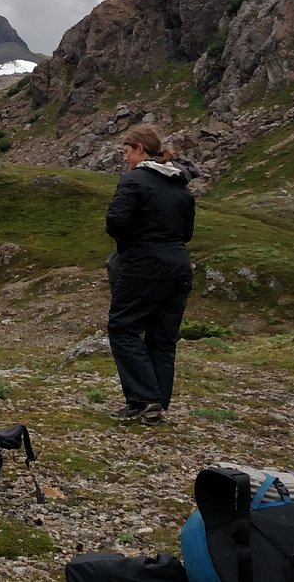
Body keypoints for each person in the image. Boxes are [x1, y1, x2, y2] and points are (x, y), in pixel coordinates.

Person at [105, 124, 196, 425]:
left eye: (126, 152)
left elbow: (116, 221)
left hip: (144, 265)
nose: (125, 158)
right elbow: (187, 233)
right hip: (178, 267)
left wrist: (130, 244)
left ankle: (144, 399)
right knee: (162, 337)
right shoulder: (179, 185)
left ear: (140, 149)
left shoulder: (134, 180)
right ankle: (155, 404)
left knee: (123, 328)